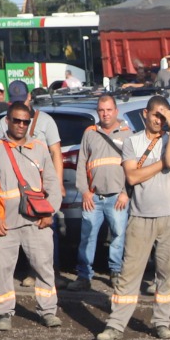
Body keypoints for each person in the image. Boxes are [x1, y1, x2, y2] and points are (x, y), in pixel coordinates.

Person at [98, 97, 170, 340]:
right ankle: (115, 325)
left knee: (167, 273)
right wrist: (160, 164)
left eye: (164, 116)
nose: (159, 120)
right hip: (140, 216)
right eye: (156, 114)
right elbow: (133, 177)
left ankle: (162, 323)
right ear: (145, 114)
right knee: (129, 273)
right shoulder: (132, 141)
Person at [0, 101, 64, 332]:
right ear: (7, 121)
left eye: (25, 122)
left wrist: (49, 212)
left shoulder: (40, 148)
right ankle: (3, 313)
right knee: (2, 268)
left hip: (36, 221)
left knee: (44, 266)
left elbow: (52, 185)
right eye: (16, 120)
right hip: (4, 223)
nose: (21, 125)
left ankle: (48, 311)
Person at [72, 94, 130, 291]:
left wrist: (125, 193)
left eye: (109, 110)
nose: (105, 114)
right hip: (93, 198)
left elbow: (133, 167)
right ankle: (83, 276)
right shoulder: (90, 133)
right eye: (101, 110)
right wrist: (84, 192)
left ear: (116, 111)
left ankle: (116, 272)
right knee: (87, 238)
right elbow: (81, 164)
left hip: (117, 197)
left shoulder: (127, 133)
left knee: (118, 236)